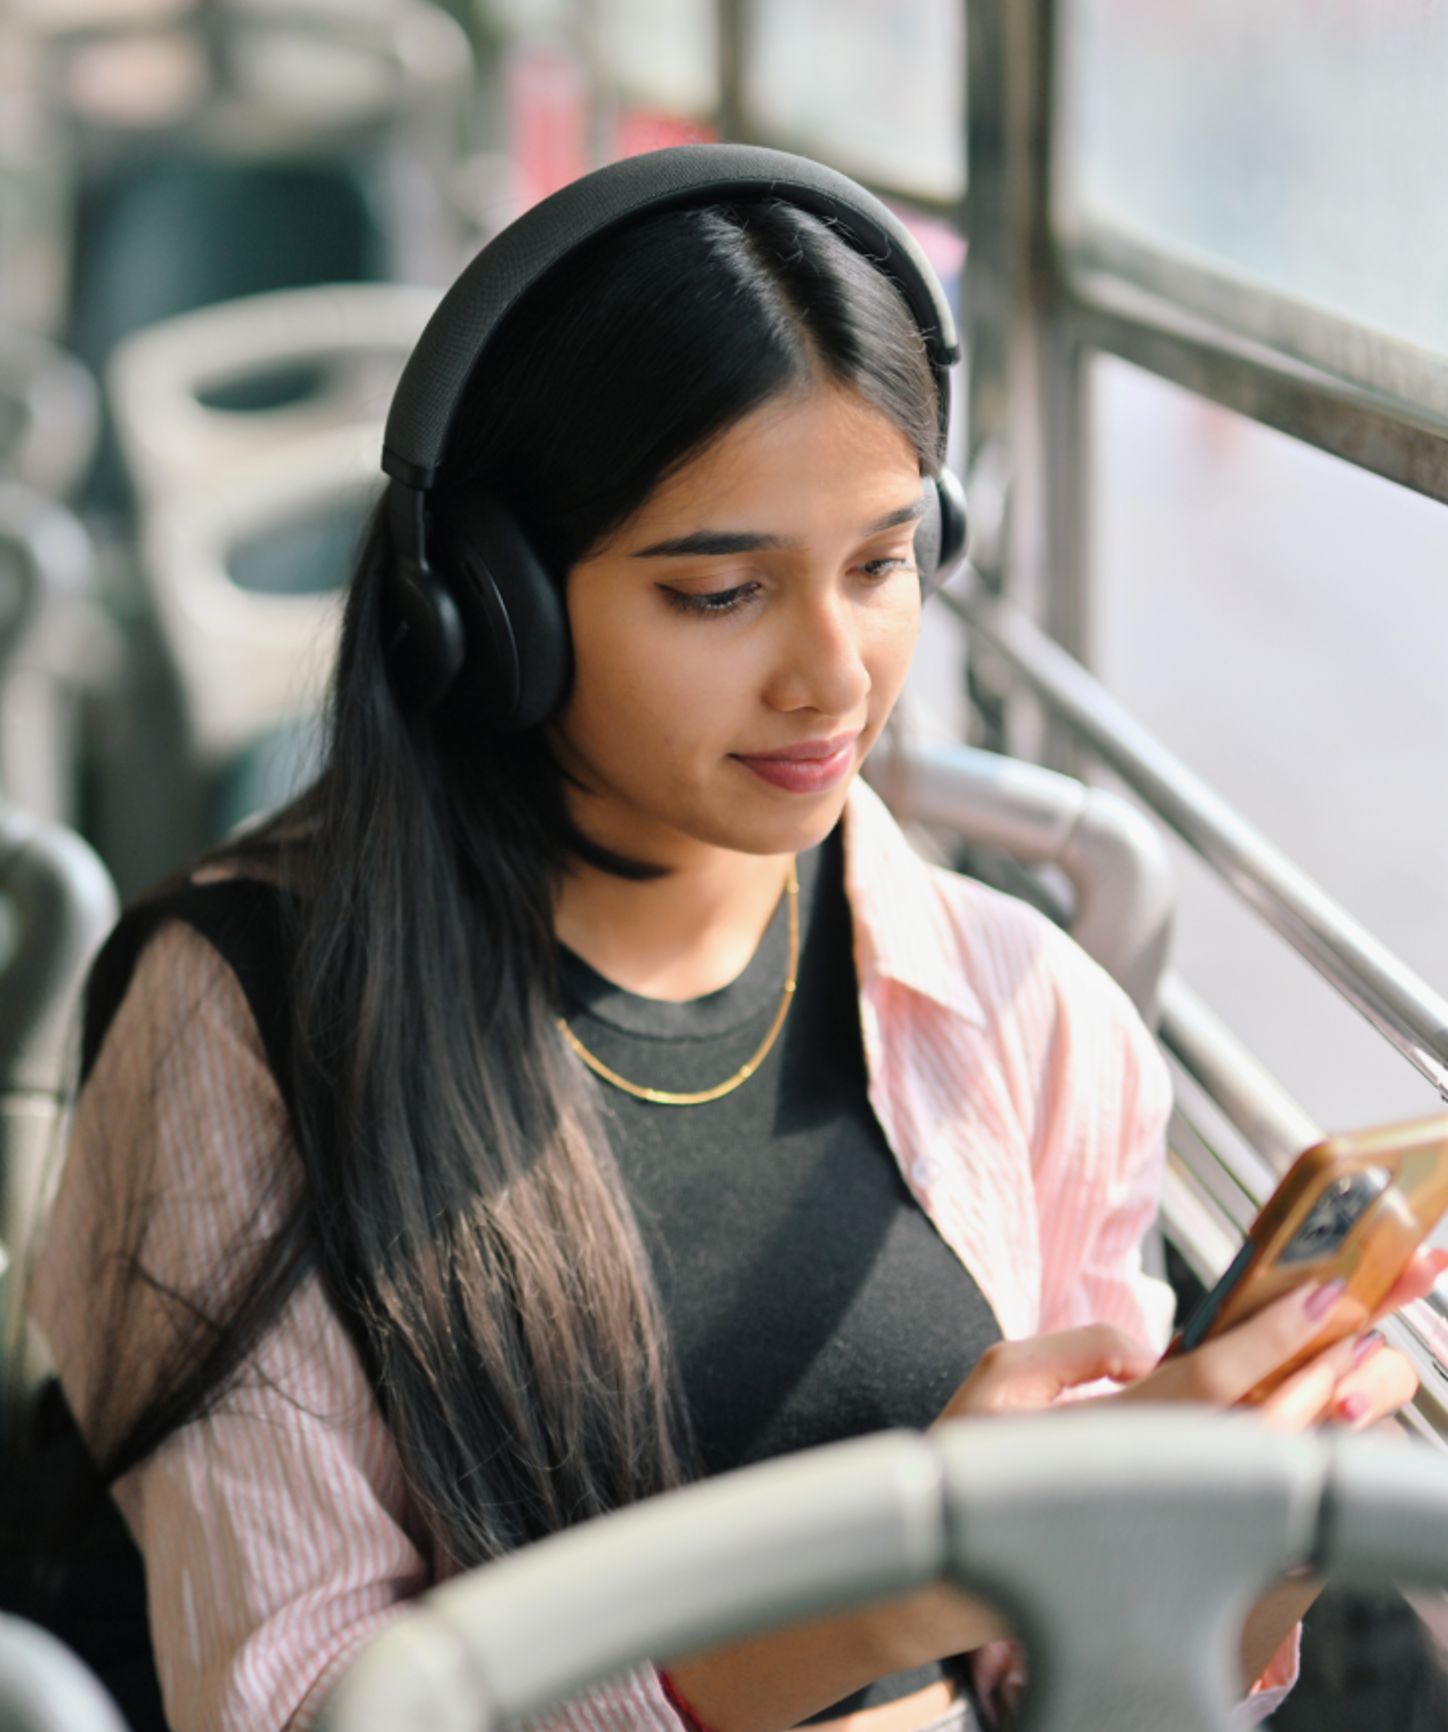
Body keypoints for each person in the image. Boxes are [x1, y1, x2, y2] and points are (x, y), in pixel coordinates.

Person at [25, 145, 1436, 1732]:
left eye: (882, 564)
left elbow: (1069, 1688)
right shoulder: (243, 1026)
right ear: (491, 606)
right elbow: (300, 1708)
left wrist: (1232, 1561)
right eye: (719, 594)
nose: (833, 675)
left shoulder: (1023, 1007)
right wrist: (919, 1573)